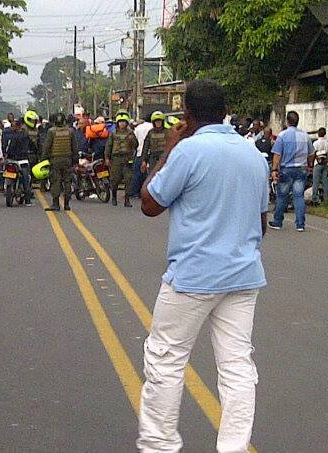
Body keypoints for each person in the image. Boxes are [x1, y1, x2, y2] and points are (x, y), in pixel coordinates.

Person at [138, 79, 269, 453]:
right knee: (237, 366)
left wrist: (168, 151)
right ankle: (233, 447)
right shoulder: (251, 154)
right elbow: (260, 224)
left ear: (188, 114)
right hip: (243, 276)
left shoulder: (188, 151)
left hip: (193, 277)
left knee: (165, 359)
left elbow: (150, 203)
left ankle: (159, 445)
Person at [269, 111, 315, 232]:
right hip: (301, 170)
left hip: (286, 170)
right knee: (298, 196)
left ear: (287, 121)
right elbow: (311, 153)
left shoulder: (282, 136)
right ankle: (300, 224)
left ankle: (277, 222)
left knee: (282, 197)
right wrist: (309, 165)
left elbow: (277, 154)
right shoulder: (305, 136)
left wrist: (274, 169)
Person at [41, 112, 76, 212]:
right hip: (67, 160)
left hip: (55, 160)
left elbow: (47, 147)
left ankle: (56, 204)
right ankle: (67, 204)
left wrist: (43, 159)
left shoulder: (51, 132)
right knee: (67, 181)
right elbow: (74, 147)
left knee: (55, 181)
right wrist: (75, 160)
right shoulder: (70, 131)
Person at [105, 110, 138, 207]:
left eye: (124, 122)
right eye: (120, 122)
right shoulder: (113, 134)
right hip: (116, 159)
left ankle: (127, 200)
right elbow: (108, 146)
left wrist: (133, 140)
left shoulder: (131, 133)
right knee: (115, 180)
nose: (122, 124)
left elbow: (136, 145)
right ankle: (114, 197)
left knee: (128, 179)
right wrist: (107, 158)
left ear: (127, 123)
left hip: (127, 159)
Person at [4, 118, 33, 206]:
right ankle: (28, 200)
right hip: (23, 160)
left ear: (17, 126)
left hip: (11, 160)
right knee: (26, 179)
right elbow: (32, 146)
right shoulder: (25, 136)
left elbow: (8, 148)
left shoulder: (11, 136)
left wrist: (7, 155)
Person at [131, 114, 153, 197]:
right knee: (150, 174)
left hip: (139, 153)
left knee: (137, 173)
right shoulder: (153, 128)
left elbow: (134, 139)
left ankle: (135, 192)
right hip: (151, 154)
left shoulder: (138, 127)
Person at [140, 111, 167, 175]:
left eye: (159, 121)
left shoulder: (167, 132)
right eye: (156, 122)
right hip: (153, 158)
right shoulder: (150, 133)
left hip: (164, 158)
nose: (158, 123)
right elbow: (145, 147)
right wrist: (143, 160)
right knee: (152, 176)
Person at [311, 127, 328, 205]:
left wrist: (311, 163)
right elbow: (327, 153)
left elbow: (314, 154)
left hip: (317, 164)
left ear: (318, 133)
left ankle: (315, 199)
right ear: (324, 134)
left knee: (316, 182)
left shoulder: (315, 143)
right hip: (324, 163)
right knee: (325, 182)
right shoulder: (326, 142)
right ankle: (326, 199)